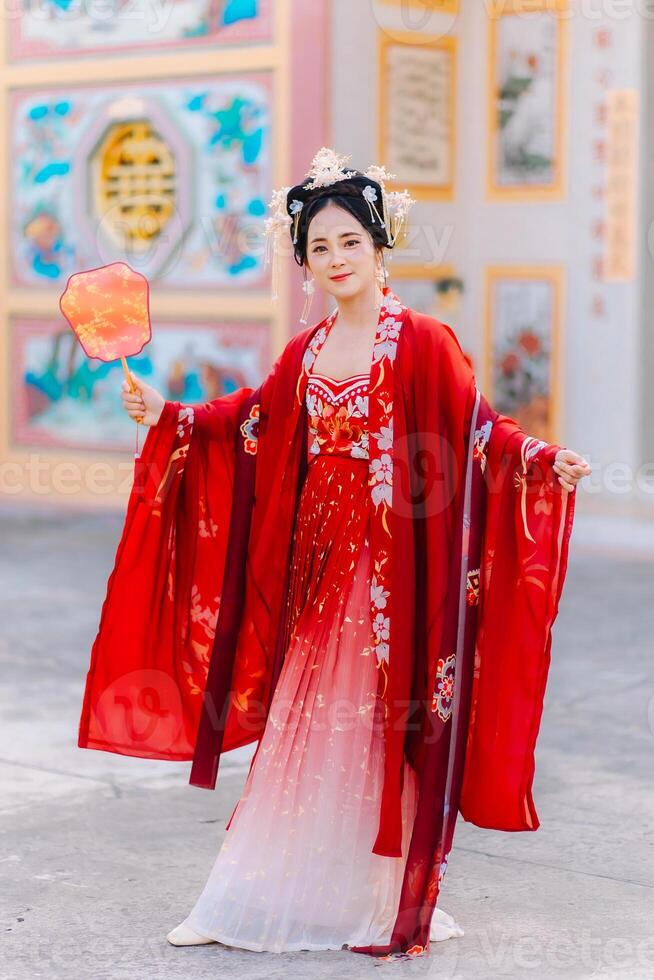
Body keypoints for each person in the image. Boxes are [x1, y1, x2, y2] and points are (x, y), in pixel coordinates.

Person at [79, 148, 590, 960]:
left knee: (376, 723)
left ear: (381, 247)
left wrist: (539, 461)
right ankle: (249, 889)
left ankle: (371, 894)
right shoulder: (307, 354)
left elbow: (478, 428)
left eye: (351, 241)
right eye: (320, 248)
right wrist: (169, 415)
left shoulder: (422, 341)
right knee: (304, 721)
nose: (337, 259)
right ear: (305, 266)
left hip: (394, 564)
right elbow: (249, 419)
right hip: (315, 561)